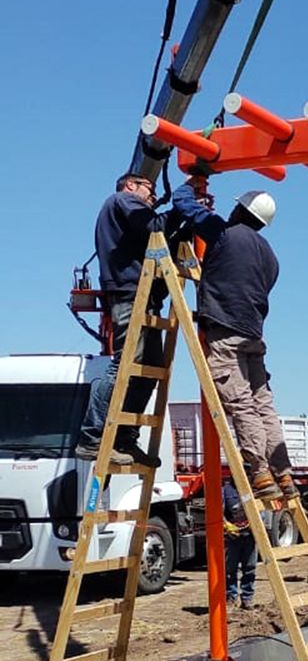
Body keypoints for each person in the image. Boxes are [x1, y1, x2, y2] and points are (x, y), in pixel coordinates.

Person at [172, 176, 297, 501]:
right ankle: (282, 473)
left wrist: (191, 185)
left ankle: (259, 472)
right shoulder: (270, 256)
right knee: (262, 406)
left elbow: (182, 205)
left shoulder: (226, 233)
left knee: (241, 405)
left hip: (225, 333)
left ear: (241, 210)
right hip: (253, 336)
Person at [76, 173, 177, 467]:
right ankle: (92, 437)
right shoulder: (122, 200)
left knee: (149, 369)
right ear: (130, 185)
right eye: (149, 189)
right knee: (123, 364)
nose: (153, 196)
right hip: (129, 292)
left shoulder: (125, 210)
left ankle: (124, 439)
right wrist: (183, 205)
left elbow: (157, 230)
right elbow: (154, 226)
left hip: (141, 293)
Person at [222, 479, 256, 609]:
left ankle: (247, 598)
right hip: (233, 536)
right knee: (231, 568)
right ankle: (231, 596)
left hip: (250, 534)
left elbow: (260, 509)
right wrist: (226, 525)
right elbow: (219, 510)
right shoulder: (226, 490)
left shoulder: (252, 488)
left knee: (250, 567)